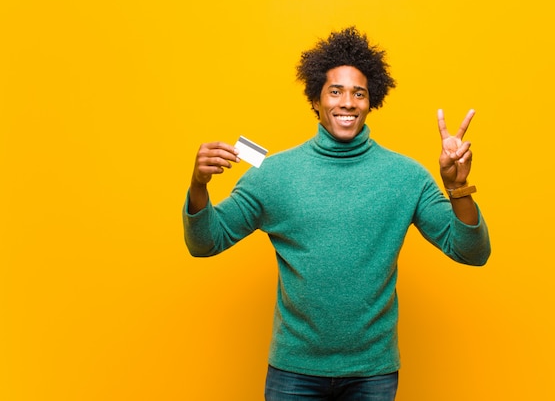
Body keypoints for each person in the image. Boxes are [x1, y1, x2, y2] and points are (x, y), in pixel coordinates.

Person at [183, 27, 491, 401]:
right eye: (336, 91)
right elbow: (205, 242)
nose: (348, 102)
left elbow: (473, 253)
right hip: (293, 372)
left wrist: (457, 188)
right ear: (315, 99)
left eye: (358, 93)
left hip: (372, 374)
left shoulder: (406, 177)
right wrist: (199, 185)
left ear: (370, 101)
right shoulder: (274, 174)